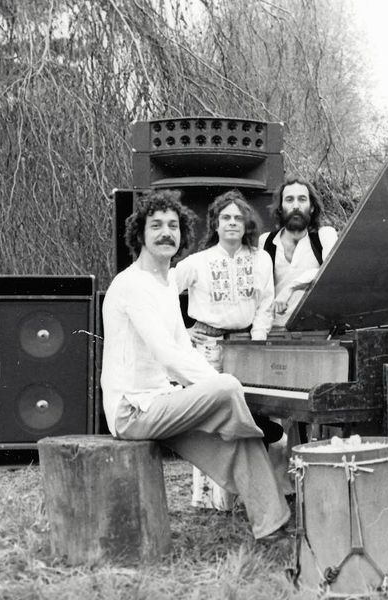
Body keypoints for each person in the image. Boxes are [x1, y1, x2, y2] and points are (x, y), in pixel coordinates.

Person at [101, 189, 290, 540]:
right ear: (139, 234)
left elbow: (183, 349)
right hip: (132, 411)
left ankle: (273, 525)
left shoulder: (164, 284)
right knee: (228, 388)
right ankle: (249, 421)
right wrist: (225, 390)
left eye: (173, 226)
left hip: (162, 401)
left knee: (243, 440)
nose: (166, 233)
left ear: (183, 234)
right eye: (156, 225)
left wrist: (219, 392)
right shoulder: (132, 285)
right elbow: (167, 355)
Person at [173, 189, 279, 511]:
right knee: (209, 419)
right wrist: (179, 334)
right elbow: (162, 292)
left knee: (248, 418)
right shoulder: (198, 262)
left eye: (238, 217)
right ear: (215, 224)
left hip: (246, 346)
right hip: (206, 347)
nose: (232, 222)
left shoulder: (260, 259)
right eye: (225, 217)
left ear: (246, 223)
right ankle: (209, 501)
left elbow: (266, 304)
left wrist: (257, 341)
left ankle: (243, 497)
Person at [258, 177, 338, 327]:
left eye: (302, 199)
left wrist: (291, 287)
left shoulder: (324, 235)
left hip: (315, 330)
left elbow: (330, 272)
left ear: (312, 207)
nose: (296, 206)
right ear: (280, 208)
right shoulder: (266, 241)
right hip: (274, 330)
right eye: (289, 199)